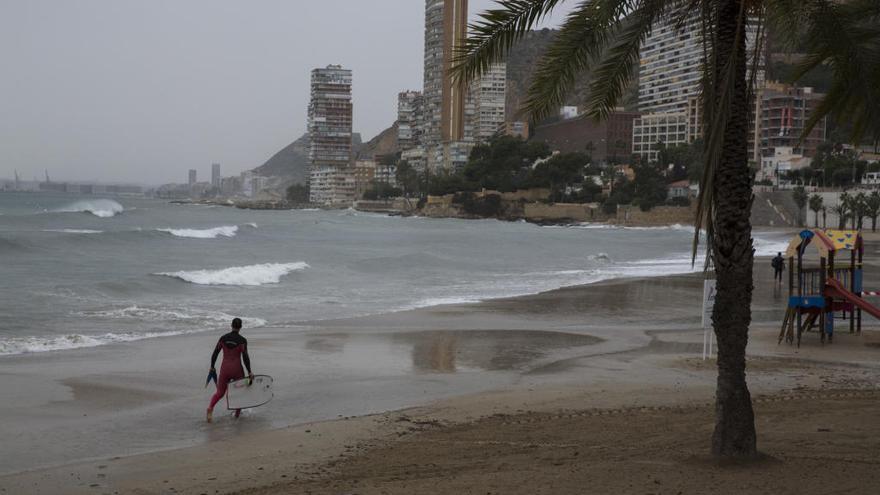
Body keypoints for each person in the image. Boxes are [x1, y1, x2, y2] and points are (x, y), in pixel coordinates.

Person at [206, 318, 253, 423]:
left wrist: (212, 366)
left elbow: (215, 353)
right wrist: (249, 371)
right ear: (240, 327)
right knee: (238, 393)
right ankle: (236, 415)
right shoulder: (242, 341)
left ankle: (210, 408)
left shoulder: (223, 338)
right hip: (237, 369)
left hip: (225, 369)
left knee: (220, 392)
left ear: (231, 325)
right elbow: (245, 357)